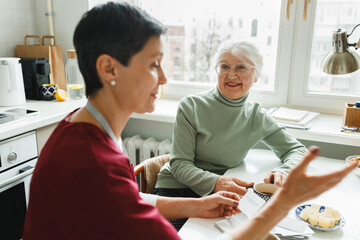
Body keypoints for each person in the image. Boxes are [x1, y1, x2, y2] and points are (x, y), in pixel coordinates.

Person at [22, 2, 357, 240]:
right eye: (154, 64)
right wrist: (282, 204)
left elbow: (127, 198)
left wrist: (197, 206)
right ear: (109, 69)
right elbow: (113, 193)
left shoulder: (83, 127)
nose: (164, 78)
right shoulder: (93, 163)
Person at [154, 41, 308, 229]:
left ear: (256, 76)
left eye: (241, 67)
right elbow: (179, 165)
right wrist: (217, 182)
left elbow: (297, 150)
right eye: (224, 66)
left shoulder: (256, 115)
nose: (231, 75)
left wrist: (282, 172)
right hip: (178, 189)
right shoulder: (191, 106)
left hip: (224, 191)